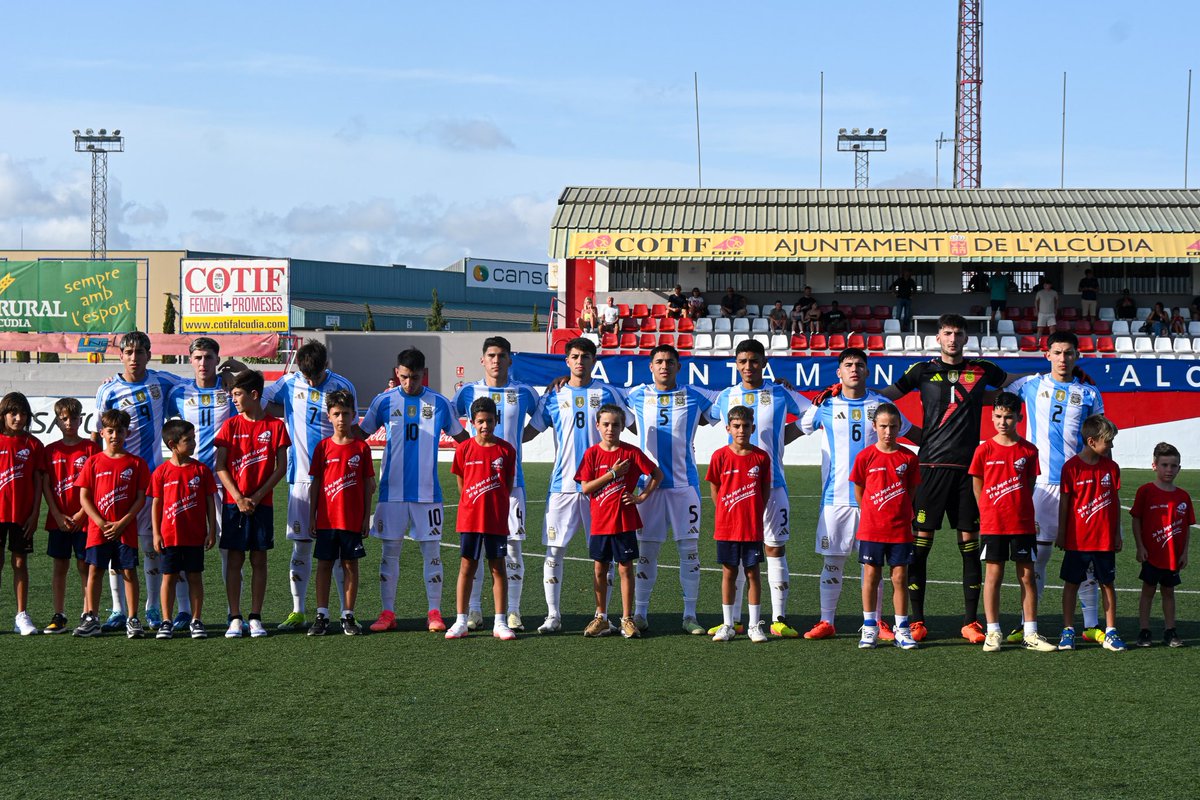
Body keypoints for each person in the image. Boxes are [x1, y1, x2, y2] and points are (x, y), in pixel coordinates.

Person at [881, 313, 1009, 643]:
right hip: (931, 470)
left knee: (969, 547)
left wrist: (1047, 376)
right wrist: (909, 432)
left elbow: (1015, 386)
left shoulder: (983, 370)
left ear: (967, 338)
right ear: (938, 337)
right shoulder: (922, 370)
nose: (953, 338)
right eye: (947, 333)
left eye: (959, 333)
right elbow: (886, 398)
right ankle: (918, 620)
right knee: (920, 548)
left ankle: (971, 621)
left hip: (969, 471)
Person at [799, 349, 915, 641]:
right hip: (835, 498)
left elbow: (910, 433)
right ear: (838, 372)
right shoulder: (826, 403)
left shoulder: (883, 405)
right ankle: (827, 621)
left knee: (872, 566)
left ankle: (874, 623)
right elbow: (804, 424)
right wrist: (815, 396)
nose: (854, 369)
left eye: (860, 365)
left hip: (878, 502)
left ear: (867, 372)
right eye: (848, 365)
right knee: (832, 561)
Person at [706, 339, 810, 637]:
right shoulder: (726, 396)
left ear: (764, 362)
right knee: (736, 554)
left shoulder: (779, 391)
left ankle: (778, 618)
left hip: (772, 485)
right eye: (742, 361)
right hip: (736, 490)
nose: (748, 367)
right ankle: (735, 621)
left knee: (774, 548)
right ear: (736, 364)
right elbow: (704, 416)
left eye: (754, 361)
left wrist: (783, 437)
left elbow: (810, 414)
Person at [525, 336, 628, 634]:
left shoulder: (609, 393)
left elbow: (635, 422)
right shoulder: (553, 396)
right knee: (554, 551)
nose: (580, 361)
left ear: (594, 361)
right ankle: (553, 616)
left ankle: (603, 616)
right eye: (574, 356)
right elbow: (531, 431)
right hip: (563, 487)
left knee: (603, 555)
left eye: (585, 356)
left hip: (603, 488)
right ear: (566, 361)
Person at [1009, 331, 1106, 643]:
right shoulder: (1028, 385)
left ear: (1077, 356)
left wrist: (1104, 483)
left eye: (1068, 353)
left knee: (1086, 557)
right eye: (1057, 353)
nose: (1063, 358)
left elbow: (1100, 442)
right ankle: (1029, 625)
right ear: (1046, 354)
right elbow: (994, 397)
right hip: (1039, 486)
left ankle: (1091, 625)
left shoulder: (1089, 394)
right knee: (1036, 559)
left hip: (1079, 487)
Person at [361, 348, 467, 633]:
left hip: (427, 494)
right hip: (391, 493)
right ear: (397, 372)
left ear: (424, 374)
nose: (409, 383)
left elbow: (464, 442)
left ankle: (434, 612)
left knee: (432, 554)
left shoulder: (440, 403)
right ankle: (387, 612)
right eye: (404, 377)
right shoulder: (383, 401)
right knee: (389, 553)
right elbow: (359, 439)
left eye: (415, 377)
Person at [263, 340, 358, 632]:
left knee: (342, 553)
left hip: (338, 482)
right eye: (307, 376)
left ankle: (346, 614)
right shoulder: (289, 383)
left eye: (315, 376)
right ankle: (298, 611)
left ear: (324, 366)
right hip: (302, 478)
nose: (311, 381)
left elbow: (351, 430)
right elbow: (261, 398)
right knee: (301, 546)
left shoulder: (343, 385)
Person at [93, 330, 184, 632]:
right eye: (128, 352)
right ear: (120, 356)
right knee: (114, 544)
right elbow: (99, 435)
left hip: (151, 481)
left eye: (140, 352)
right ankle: (119, 609)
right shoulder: (107, 391)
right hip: (116, 484)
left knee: (150, 545)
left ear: (149, 354)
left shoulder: (161, 381)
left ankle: (152, 608)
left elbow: (195, 388)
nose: (134, 358)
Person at [624, 344, 715, 634]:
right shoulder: (636, 395)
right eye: (659, 362)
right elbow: (599, 394)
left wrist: (777, 383)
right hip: (647, 488)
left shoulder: (696, 396)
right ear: (650, 366)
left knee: (689, 551)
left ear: (679, 367)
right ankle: (640, 614)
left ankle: (690, 615)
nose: (664, 366)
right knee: (647, 551)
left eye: (670, 362)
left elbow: (732, 400)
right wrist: (560, 380)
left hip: (683, 487)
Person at [452, 337, 541, 632]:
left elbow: (540, 421)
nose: (496, 360)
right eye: (491, 355)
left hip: (512, 484)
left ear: (509, 360)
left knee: (512, 549)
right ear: (482, 359)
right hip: (479, 487)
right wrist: (470, 448)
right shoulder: (468, 392)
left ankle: (512, 612)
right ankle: (475, 611)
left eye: (502, 355)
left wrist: (514, 441)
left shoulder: (524, 391)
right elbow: (450, 420)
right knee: (473, 554)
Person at [969, 393, 1056, 652]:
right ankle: (993, 632)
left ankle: (1030, 632)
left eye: (1008, 417)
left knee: (1028, 577)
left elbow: (1028, 486)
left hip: (1022, 524)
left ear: (1019, 417)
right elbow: (978, 487)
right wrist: (988, 511)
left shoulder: (1029, 450)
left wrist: (1019, 509)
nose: (1003, 421)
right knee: (993, 576)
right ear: (992, 416)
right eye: (998, 416)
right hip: (994, 524)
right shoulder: (983, 449)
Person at [164, 336, 236, 631]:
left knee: (228, 549)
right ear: (190, 360)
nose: (203, 363)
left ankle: (235, 612)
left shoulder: (230, 388)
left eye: (209, 357)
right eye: (198, 358)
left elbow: (256, 386)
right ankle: (183, 612)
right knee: (183, 547)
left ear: (217, 360)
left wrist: (235, 371)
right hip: (188, 482)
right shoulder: (178, 393)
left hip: (223, 480)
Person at [575, 404, 662, 639]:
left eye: (615, 424)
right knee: (599, 569)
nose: (610, 428)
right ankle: (601, 618)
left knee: (625, 569)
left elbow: (657, 474)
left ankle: (626, 619)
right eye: (605, 424)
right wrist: (612, 474)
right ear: (597, 426)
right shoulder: (592, 454)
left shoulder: (632, 453)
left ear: (623, 426)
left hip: (624, 521)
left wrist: (641, 497)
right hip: (600, 522)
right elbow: (585, 488)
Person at [214, 369, 290, 639]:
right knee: (234, 559)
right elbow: (220, 465)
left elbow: (282, 468)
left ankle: (255, 616)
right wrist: (237, 497)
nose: (233, 399)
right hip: (234, 504)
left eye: (237, 394)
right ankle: (235, 617)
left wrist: (256, 497)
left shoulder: (276, 426)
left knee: (259, 559)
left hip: (262, 505)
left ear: (254, 395)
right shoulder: (231, 426)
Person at [72, 409, 150, 638]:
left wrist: (123, 522)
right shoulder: (93, 462)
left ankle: (133, 618)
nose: (115, 435)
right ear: (102, 432)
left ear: (127, 432)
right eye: (110, 431)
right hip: (98, 529)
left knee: (128, 571)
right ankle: (92, 618)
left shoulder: (136, 463)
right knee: (94, 570)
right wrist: (100, 522)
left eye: (120, 431)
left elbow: (140, 498)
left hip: (125, 529)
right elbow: (84, 497)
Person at [850, 403, 921, 651]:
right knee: (871, 575)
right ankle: (870, 626)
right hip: (872, 528)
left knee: (899, 577)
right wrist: (872, 511)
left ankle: (902, 629)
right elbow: (859, 490)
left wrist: (900, 511)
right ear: (874, 427)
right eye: (883, 426)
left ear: (900, 427)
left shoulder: (908, 457)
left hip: (900, 528)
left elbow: (910, 490)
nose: (888, 432)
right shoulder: (865, 456)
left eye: (893, 426)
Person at [445, 397, 517, 641]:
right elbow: (462, 483)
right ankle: (461, 621)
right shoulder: (464, 449)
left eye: (489, 420)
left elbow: (506, 485)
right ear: (473, 423)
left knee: (498, 568)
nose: (485, 425)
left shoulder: (506, 450)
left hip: (495, 519)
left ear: (496, 420)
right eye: (480, 421)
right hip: (470, 519)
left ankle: (500, 621)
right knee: (467, 567)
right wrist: (472, 503)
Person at [307, 390, 374, 637]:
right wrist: (312, 515)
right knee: (324, 565)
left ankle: (348, 615)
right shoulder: (323, 447)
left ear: (354, 415)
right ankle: (322, 615)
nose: (341, 418)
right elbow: (315, 484)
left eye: (346, 414)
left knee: (350, 565)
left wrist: (366, 517)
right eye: (336, 414)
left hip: (352, 520)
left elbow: (369, 485)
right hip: (326, 521)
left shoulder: (361, 448)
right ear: (329, 416)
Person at [1056, 415, 1125, 652]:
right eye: (1109, 441)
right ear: (1092, 441)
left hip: (1104, 540)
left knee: (1108, 584)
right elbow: (1064, 503)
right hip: (1077, 541)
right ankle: (1068, 631)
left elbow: (1114, 503)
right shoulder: (1071, 468)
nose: (1112, 446)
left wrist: (1117, 534)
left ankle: (1111, 631)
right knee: (1071, 584)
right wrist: (1062, 533)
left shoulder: (1112, 468)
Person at [706, 405, 771, 643]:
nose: (741, 430)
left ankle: (754, 625)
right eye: (736, 426)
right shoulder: (719, 456)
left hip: (752, 527)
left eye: (745, 426)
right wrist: (725, 510)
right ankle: (728, 624)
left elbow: (764, 491)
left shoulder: (761, 457)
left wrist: (754, 512)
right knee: (729, 572)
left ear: (753, 428)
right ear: (728, 428)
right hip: (727, 526)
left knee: (753, 573)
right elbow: (715, 488)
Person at [150, 419, 217, 640]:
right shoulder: (161, 472)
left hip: (194, 536)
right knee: (168, 578)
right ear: (172, 444)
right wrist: (157, 533)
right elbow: (156, 504)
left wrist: (212, 530)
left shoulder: (201, 470)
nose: (194, 443)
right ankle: (166, 621)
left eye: (193, 438)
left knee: (195, 577)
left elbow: (209, 501)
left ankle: (196, 620)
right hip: (169, 537)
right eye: (188, 440)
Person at [40, 398, 99, 634]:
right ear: (56, 421)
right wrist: (56, 513)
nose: (69, 423)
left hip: (84, 521)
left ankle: (88, 613)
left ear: (81, 419)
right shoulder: (49, 450)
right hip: (58, 519)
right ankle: (59, 614)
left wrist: (82, 514)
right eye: (63, 419)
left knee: (85, 566)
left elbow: (96, 485)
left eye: (73, 418)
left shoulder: (91, 448)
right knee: (60, 566)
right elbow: (45, 485)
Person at [1130, 442, 1193, 648]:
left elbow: (1186, 526)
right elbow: (1136, 518)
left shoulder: (1183, 496)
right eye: (1164, 465)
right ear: (1154, 465)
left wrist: (1184, 552)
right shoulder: (1145, 491)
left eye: (1173, 466)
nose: (1169, 470)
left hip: (1173, 556)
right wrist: (1140, 546)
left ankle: (1170, 630)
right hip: (1151, 554)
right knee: (1148, 591)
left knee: (1169, 592)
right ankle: (1145, 631)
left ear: (1179, 468)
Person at [0, 392, 45, 636]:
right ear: (3, 415)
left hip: (22, 515)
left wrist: (35, 513)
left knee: (19, 562)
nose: (18, 418)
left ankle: (21, 616)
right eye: (13, 413)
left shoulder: (33, 444)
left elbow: (38, 483)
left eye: (23, 414)